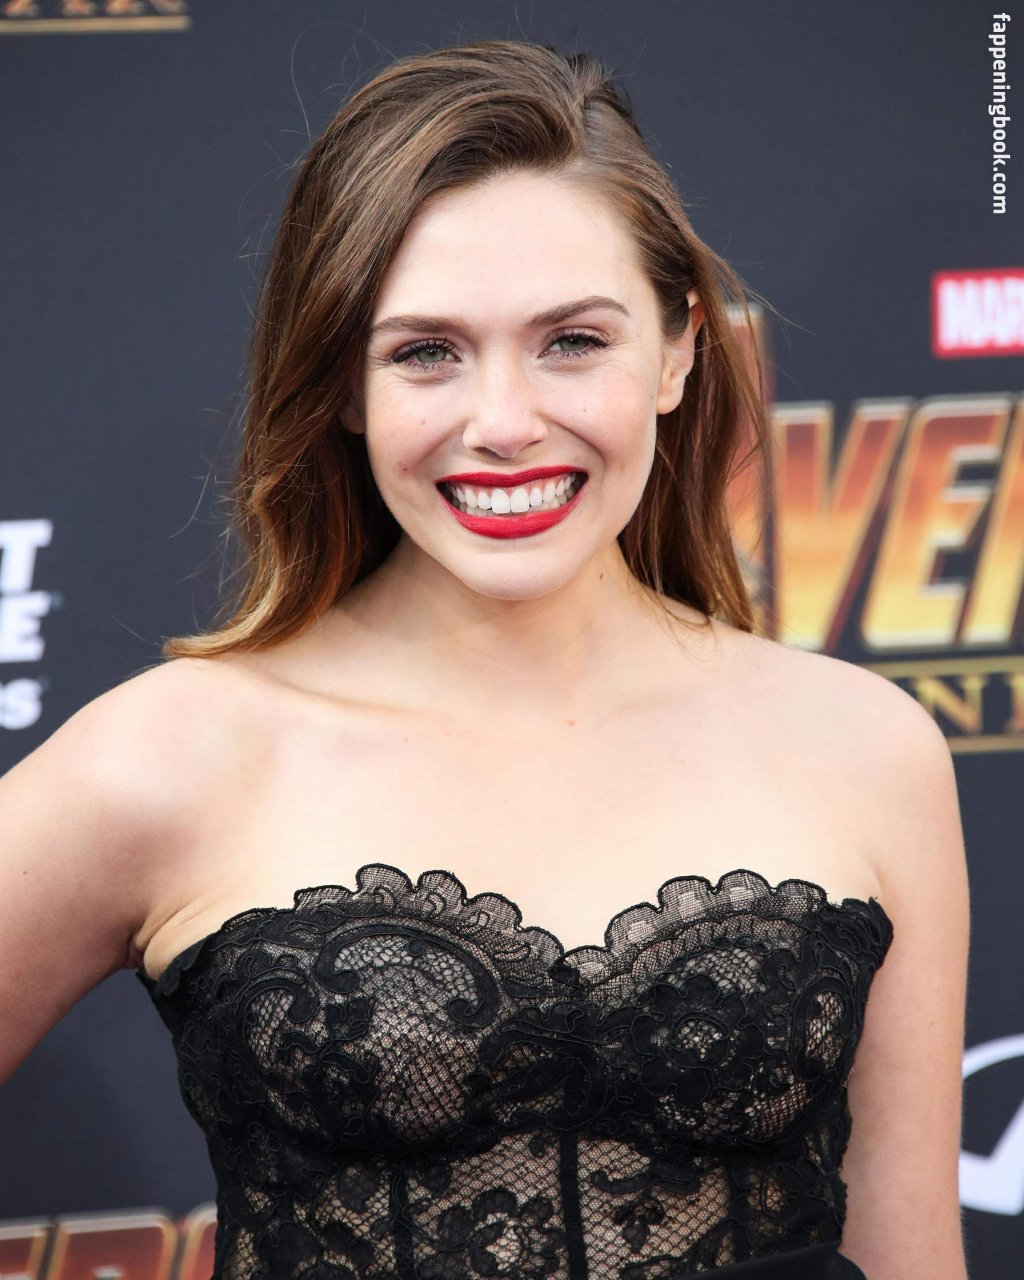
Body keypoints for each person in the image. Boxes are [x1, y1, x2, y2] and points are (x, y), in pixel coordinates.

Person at [1, 37, 969, 1280]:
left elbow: (910, 1252)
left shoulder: (864, 747)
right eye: (425, 352)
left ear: (678, 349)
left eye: (572, 341)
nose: (504, 422)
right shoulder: (177, 749)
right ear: (343, 385)